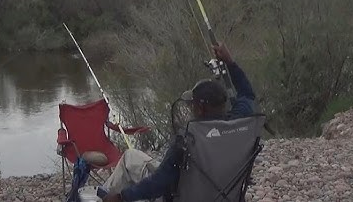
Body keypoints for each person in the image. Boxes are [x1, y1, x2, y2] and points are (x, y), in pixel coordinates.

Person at [101, 44, 256, 202]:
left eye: (193, 104)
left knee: (129, 158)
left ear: (201, 108)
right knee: (136, 158)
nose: (191, 107)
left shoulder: (187, 140)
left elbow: (158, 184)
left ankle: (101, 197)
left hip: (184, 195)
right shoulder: (239, 123)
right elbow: (247, 94)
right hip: (225, 194)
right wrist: (230, 62)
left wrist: (122, 197)